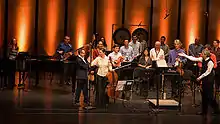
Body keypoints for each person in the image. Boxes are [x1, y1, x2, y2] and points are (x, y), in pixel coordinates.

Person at [179, 50, 219, 116]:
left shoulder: (210, 62)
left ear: (206, 55)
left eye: (202, 54)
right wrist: (185, 55)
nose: (201, 54)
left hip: (209, 81)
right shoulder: (202, 59)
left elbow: (208, 72)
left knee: (209, 96)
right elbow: (194, 58)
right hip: (204, 80)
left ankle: (216, 109)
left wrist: (200, 77)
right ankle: (204, 111)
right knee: (204, 96)